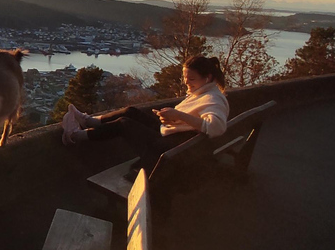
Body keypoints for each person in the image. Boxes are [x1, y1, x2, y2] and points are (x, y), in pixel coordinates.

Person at [61, 55, 230, 173]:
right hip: (174, 137)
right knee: (131, 111)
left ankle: (75, 136)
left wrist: (178, 116)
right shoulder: (203, 91)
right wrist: (172, 117)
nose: (187, 83)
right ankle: (89, 121)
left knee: (124, 124)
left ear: (207, 77)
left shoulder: (213, 99)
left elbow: (217, 127)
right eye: (185, 78)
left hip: (171, 148)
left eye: (191, 79)